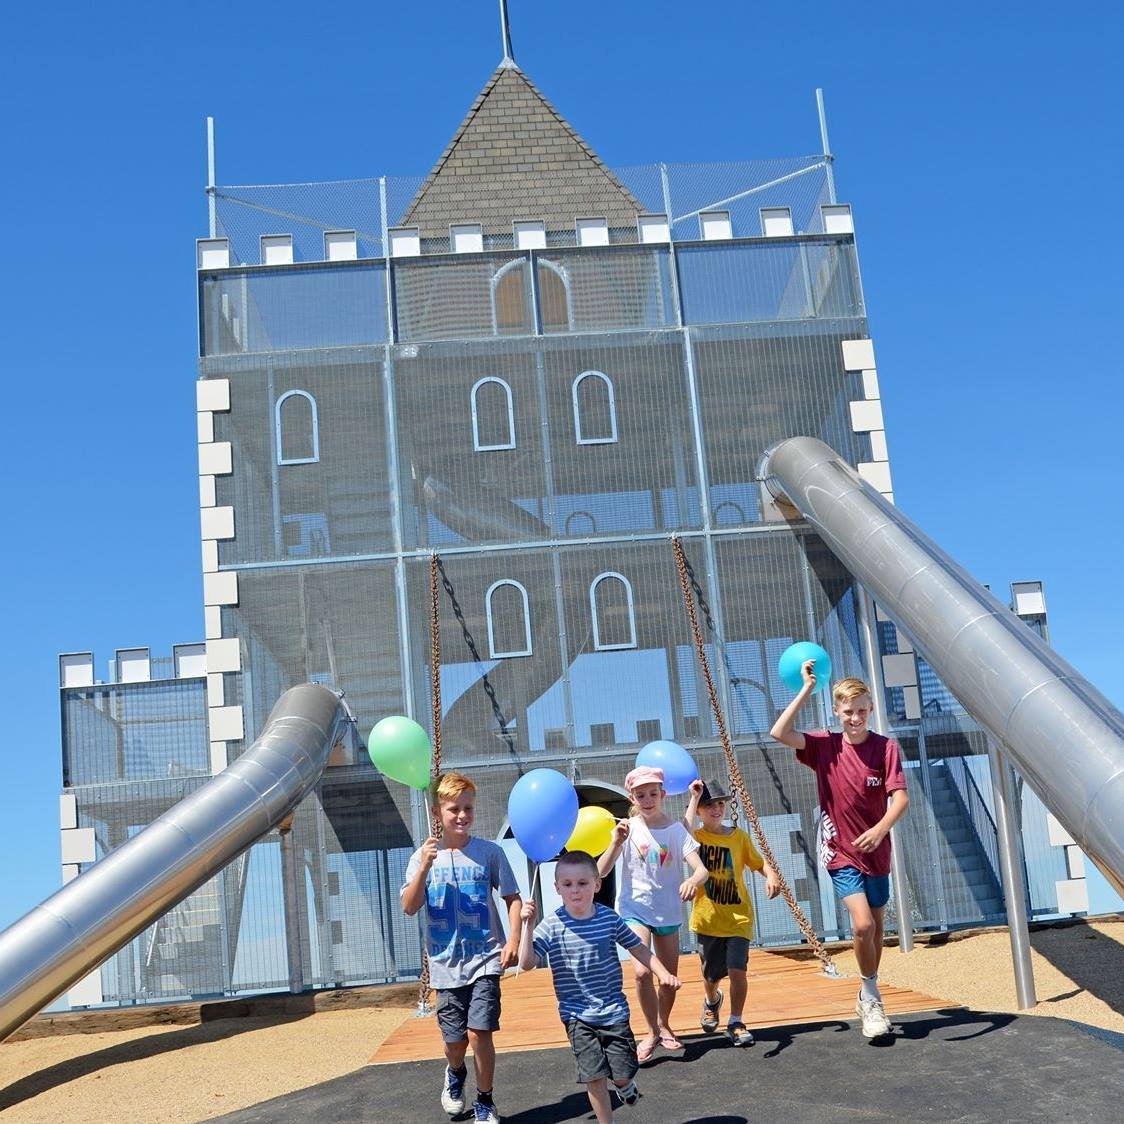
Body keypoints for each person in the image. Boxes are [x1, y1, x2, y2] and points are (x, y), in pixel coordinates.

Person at [769, 662, 909, 1040]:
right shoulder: (824, 746)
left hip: (876, 851)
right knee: (862, 923)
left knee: (877, 930)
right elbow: (779, 732)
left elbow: (900, 798)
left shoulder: (886, 748)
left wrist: (880, 830)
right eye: (848, 711)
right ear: (836, 711)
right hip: (839, 850)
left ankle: (867, 991)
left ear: (870, 710)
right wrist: (805, 689)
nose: (855, 717)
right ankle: (873, 995)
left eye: (862, 710)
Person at [518, 850, 681, 1124]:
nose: (575, 890)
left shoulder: (608, 919)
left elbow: (638, 948)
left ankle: (624, 1083)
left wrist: (663, 972)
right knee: (593, 1077)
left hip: (613, 1012)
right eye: (567, 884)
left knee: (622, 1072)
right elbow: (526, 963)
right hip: (576, 1016)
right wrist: (527, 926)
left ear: (597, 884)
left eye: (582, 883)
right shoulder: (552, 924)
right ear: (556, 888)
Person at [401, 771, 522, 1123]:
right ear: (437, 813)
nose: (462, 815)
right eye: (454, 808)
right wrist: (424, 865)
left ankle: (485, 1100)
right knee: (456, 1043)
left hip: (485, 958)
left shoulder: (490, 853)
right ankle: (455, 1073)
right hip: (444, 965)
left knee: (479, 1032)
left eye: (468, 807)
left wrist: (512, 939)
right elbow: (409, 906)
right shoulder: (421, 858)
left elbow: (512, 898)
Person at [597, 765, 708, 1062]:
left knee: (668, 976)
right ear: (632, 798)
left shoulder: (675, 830)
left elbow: (701, 870)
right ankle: (650, 1031)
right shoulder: (627, 829)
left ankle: (664, 1025)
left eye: (652, 793)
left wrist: (691, 880)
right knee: (642, 971)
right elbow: (601, 872)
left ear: (662, 794)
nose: (647, 799)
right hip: (635, 911)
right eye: (640, 795)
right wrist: (615, 842)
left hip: (668, 912)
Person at [682, 777, 781, 1045]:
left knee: (738, 970)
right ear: (700, 810)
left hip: (739, 918)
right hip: (708, 919)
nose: (716, 809)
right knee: (710, 976)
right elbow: (683, 829)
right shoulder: (697, 838)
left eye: (720, 804)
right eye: (709, 805)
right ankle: (712, 999)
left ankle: (736, 1020)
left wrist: (770, 876)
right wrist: (694, 797)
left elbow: (759, 863)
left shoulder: (739, 837)